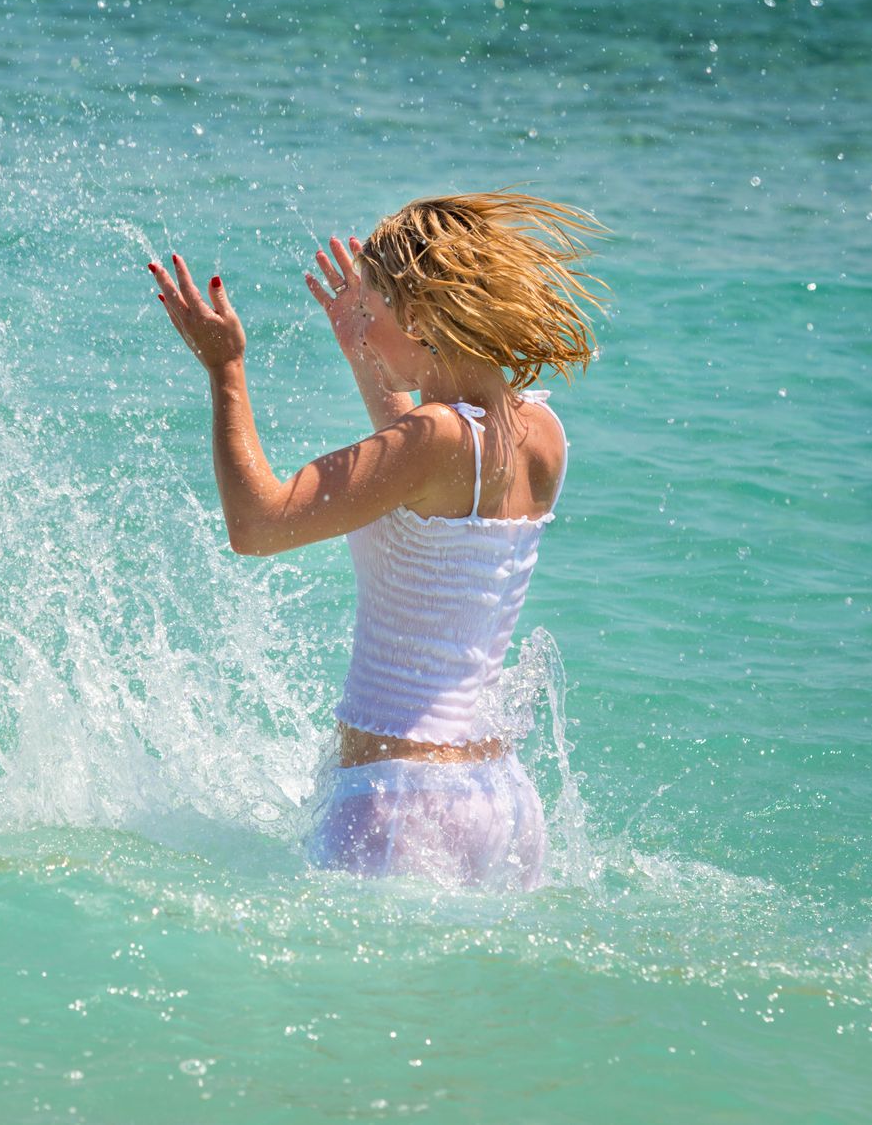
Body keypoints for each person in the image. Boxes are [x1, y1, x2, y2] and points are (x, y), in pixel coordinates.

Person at [149, 192, 606, 889]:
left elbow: (257, 525)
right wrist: (367, 354)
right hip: (499, 803)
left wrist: (226, 370)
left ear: (421, 319)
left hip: (398, 803)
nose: (362, 328)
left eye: (375, 314)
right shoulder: (540, 434)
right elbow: (424, 480)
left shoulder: (431, 443)